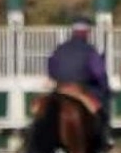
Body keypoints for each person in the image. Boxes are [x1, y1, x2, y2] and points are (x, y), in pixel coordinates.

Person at [47, 16, 112, 146]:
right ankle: (104, 139)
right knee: (102, 111)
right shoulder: (90, 51)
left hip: (60, 88)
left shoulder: (60, 49)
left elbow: (51, 69)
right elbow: (99, 74)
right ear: (87, 32)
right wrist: (105, 88)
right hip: (81, 89)